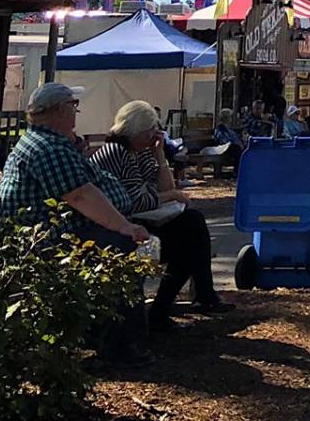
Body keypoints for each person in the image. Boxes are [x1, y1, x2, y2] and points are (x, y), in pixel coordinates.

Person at [0, 83, 151, 361]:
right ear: (59, 110)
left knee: (183, 226)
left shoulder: (54, 142)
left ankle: (150, 320)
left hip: (69, 230)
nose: (76, 111)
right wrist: (124, 226)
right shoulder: (46, 148)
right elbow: (80, 196)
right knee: (121, 248)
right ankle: (119, 345)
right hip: (48, 239)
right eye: (73, 106)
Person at [89, 101, 232, 326]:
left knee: (191, 227)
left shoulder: (140, 151)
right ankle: (196, 298)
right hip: (119, 226)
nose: (153, 136)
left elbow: (163, 188)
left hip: (137, 220)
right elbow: (138, 202)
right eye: (150, 132)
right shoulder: (117, 153)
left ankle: (195, 298)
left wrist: (159, 155)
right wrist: (173, 196)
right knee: (189, 236)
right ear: (137, 131)